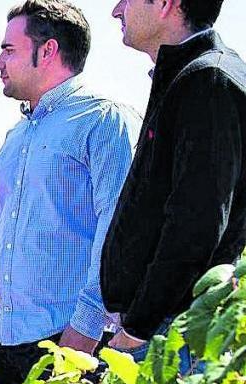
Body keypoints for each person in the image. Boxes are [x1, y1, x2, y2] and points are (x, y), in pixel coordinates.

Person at [0, 0, 138, 384]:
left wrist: (85, 332)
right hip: (6, 344)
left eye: (9, 49)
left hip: (70, 342)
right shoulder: (13, 140)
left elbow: (118, 231)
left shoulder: (104, 121)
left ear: (48, 51)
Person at [102, 0, 245, 363]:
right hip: (163, 328)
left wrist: (137, 329)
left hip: (171, 335)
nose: (117, 10)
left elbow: (196, 225)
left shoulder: (207, 80)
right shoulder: (195, 76)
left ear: (166, 4)